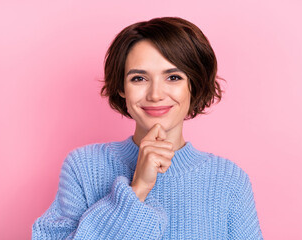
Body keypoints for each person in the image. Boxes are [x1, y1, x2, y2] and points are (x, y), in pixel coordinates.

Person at [32, 17, 263, 239]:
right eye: (139, 79)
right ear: (122, 87)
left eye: (173, 77)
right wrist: (137, 188)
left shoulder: (229, 179)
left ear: (194, 84)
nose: (155, 94)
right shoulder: (83, 167)